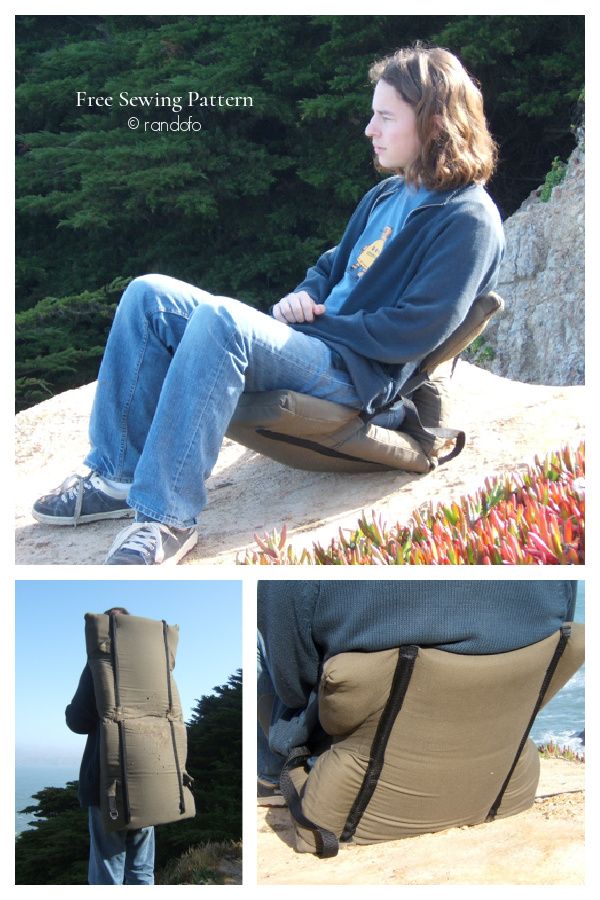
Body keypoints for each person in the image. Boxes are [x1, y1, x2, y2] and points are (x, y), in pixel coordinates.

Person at [32, 45, 504, 565]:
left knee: (224, 321)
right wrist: (305, 296)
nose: (370, 129)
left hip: (362, 376)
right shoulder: (387, 196)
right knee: (150, 295)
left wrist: (323, 324)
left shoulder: (467, 218)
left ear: (435, 121)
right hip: (319, 344)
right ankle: (117, 474)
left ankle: (165, 517)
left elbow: (416, 330)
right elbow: (330, 269)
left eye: (385, 117)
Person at [257, 580, 578, 796]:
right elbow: (552, 647)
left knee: (259, 647)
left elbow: (294, 688)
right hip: (501, 788)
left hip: (354, 797)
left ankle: (273, 776)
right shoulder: (557, 576)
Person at [65, 607, 155, 885]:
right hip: (150, 781)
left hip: (108, 783)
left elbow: (78, 720)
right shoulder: (153, 663)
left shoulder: (99, 662)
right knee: (142, 870)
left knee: (107, 873)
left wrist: (71, 709)